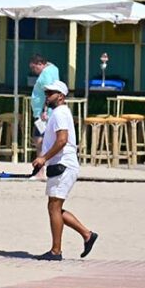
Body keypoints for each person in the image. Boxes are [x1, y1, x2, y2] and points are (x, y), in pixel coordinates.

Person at [30, 80, 98, 261]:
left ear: (60, 96)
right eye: (46, 93)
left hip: (64, 164)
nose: (47, 96)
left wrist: (43, 158)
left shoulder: (60, 113)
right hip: (60, 164)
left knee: (54, 207)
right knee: (54, 207)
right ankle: (87, 235)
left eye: (50, 93)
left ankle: (56, 251)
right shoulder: (58, 113)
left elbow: (62, 140)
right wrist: (44, 160)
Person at [29, 54, 59, 157]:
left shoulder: (46, 74)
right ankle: (41, 167)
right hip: (45, 111)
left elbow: (49, 93)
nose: (33, 70)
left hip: (44, 113)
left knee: (39, 141)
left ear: (40, 64)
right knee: (41, 140)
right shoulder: (53, 69)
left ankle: (40, 168)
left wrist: (45, 111)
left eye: (34, 67)